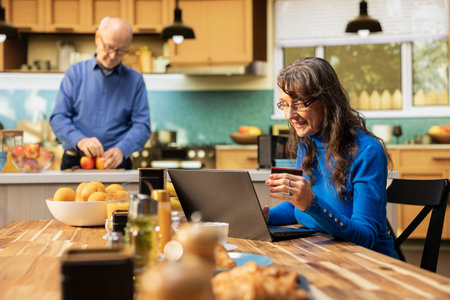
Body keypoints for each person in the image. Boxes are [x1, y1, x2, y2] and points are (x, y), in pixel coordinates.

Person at [264, 57, 398, 258]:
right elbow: (296, 209)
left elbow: (366, 237)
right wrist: (263, 217)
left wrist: (312, 203)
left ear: (327, 100)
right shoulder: (307, 143)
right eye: (284, 104)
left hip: (371, 264)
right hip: (324, 253)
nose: (289, 115)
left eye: (299, 103)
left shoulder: (367, 151)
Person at [50, 17, 151, 170]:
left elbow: (142, 126)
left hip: (116, 163)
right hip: (76, 161)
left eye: (120, 51)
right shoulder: (74, 74)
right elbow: (59, 118)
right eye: (109, 47)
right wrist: (80, 141)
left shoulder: (135, 80)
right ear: (97, 38)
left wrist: (122, 149)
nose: (112, 56)